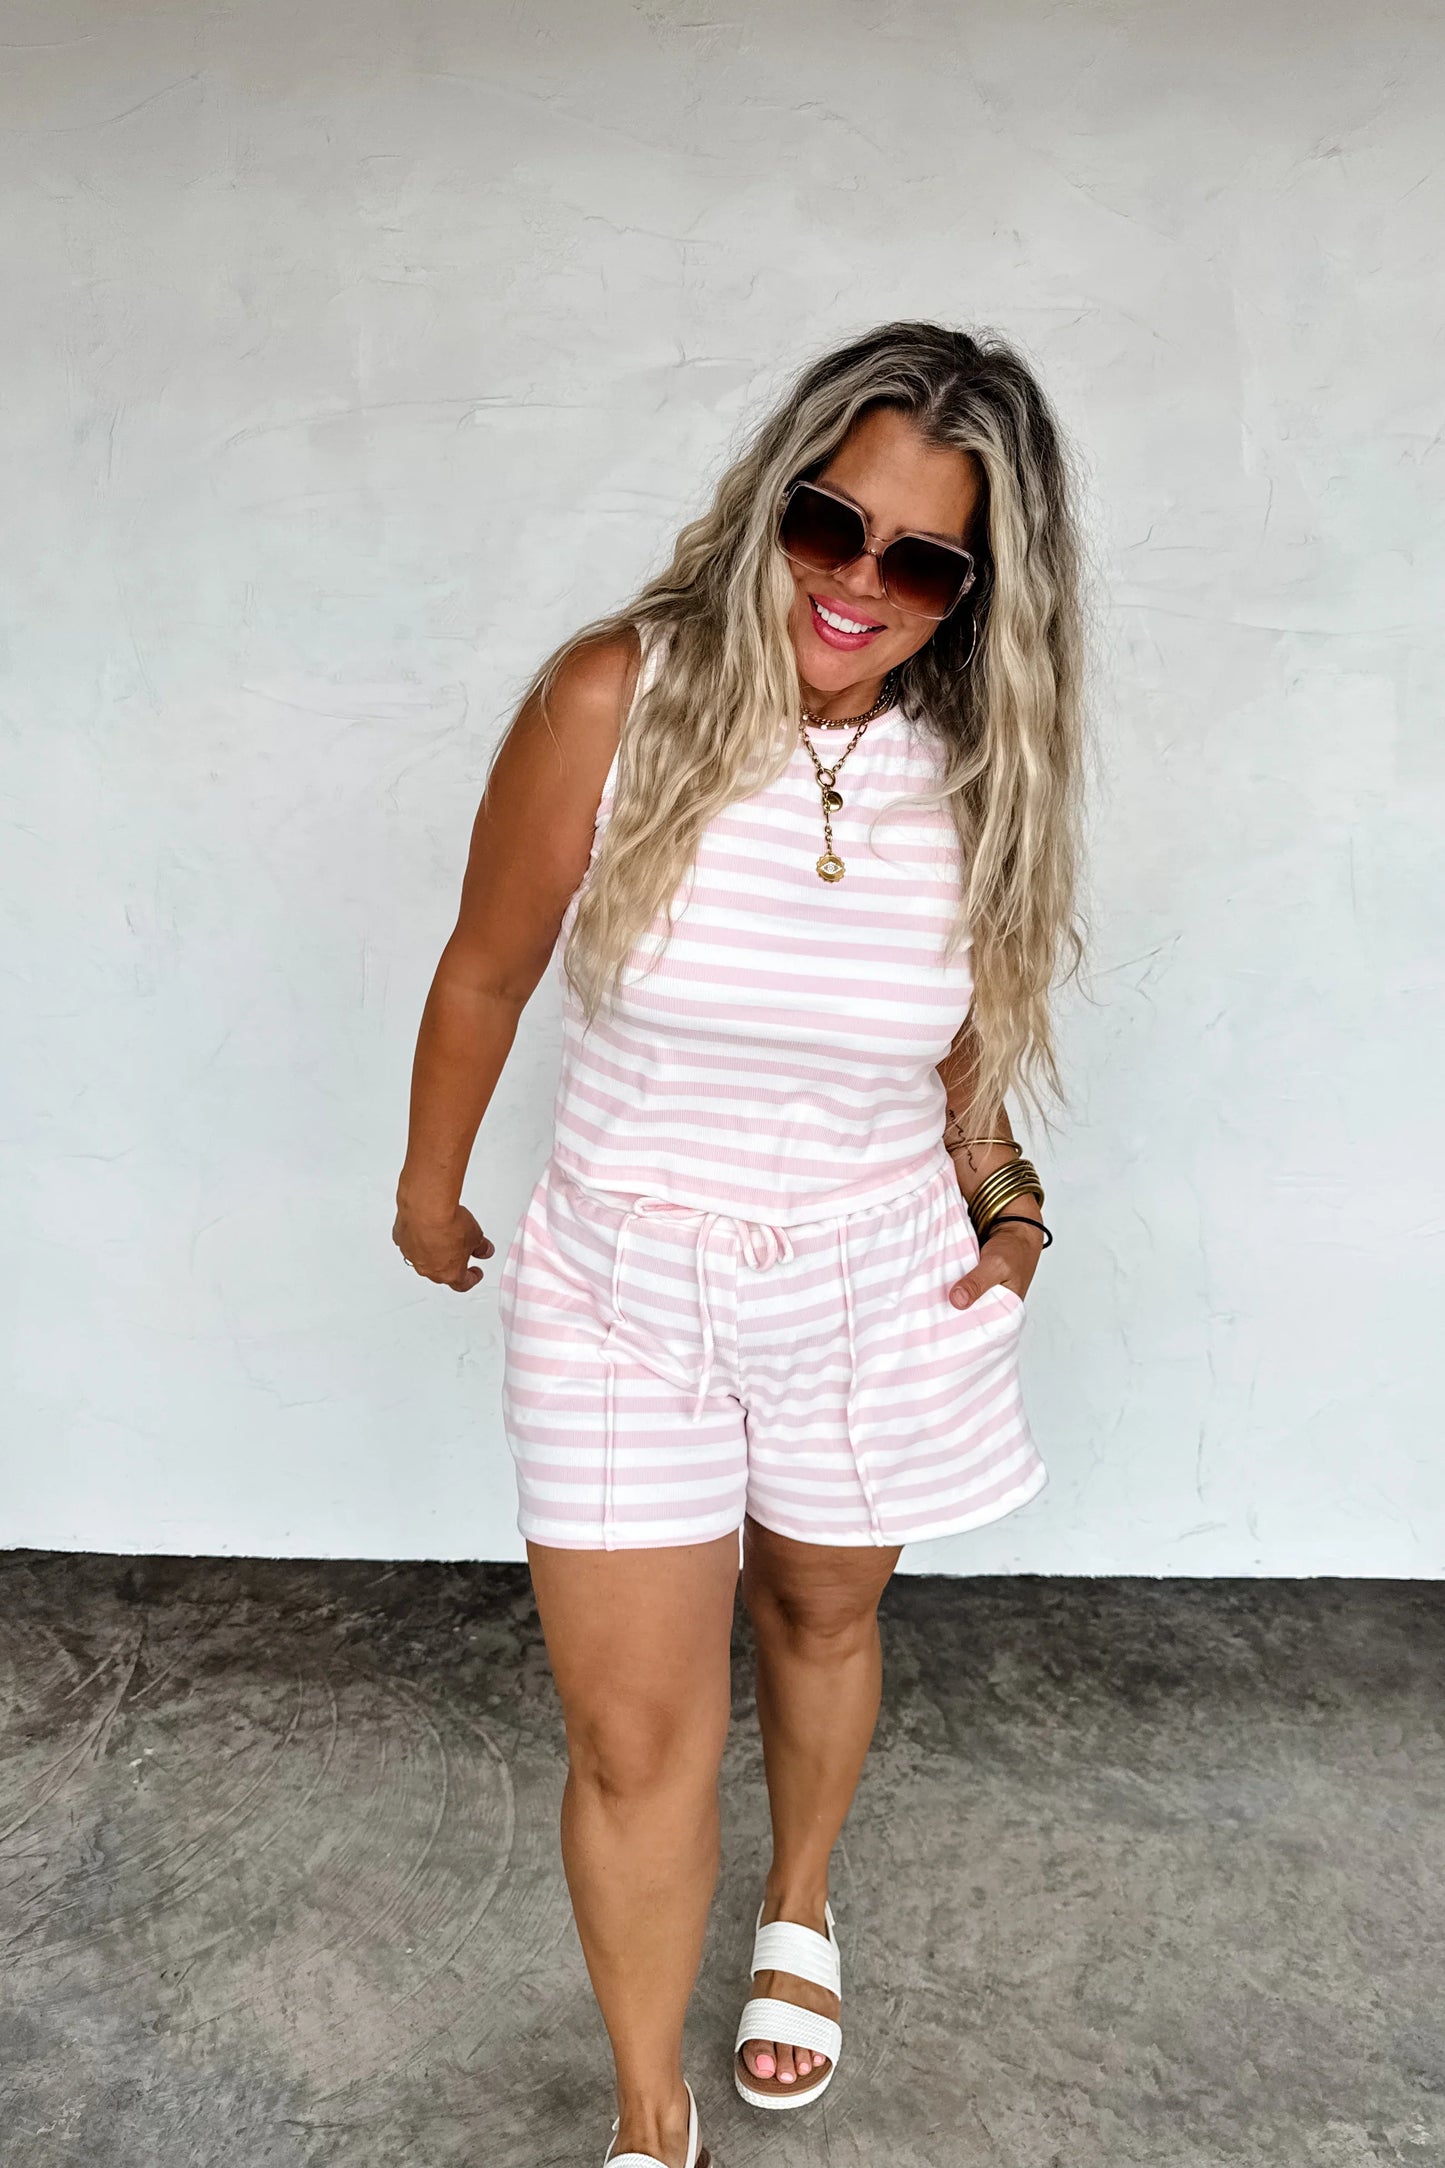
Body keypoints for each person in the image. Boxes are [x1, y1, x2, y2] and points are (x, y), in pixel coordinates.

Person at [393, 320, 1087, 2168]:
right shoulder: (613, 698)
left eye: (920, 560)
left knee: (821, 1612)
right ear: (773, 500)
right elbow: (485, 968)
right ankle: (649, 2118)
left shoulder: (979, 777)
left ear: (978, 595)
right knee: (633, 1736)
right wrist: (425, 1185)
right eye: (828, 523)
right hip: (619, 1288)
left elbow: (959, 1069)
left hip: (870, 1282)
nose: (856, 583)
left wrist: (1011, 1214)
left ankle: (798, 1906)